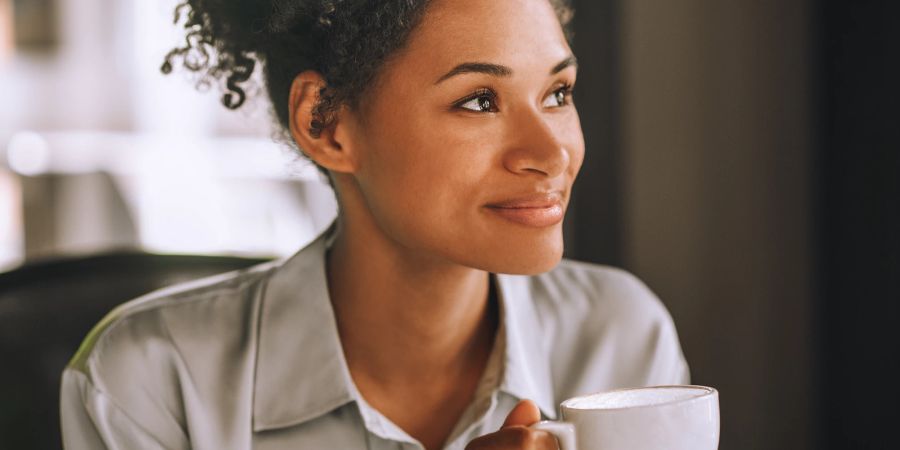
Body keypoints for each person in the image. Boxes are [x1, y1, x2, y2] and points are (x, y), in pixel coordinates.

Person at [60, 0, 689, 449]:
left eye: (557, 93)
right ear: (326, 125)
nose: (551, 153)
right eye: (479, 101)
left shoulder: (621, 338)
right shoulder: (148, 381)